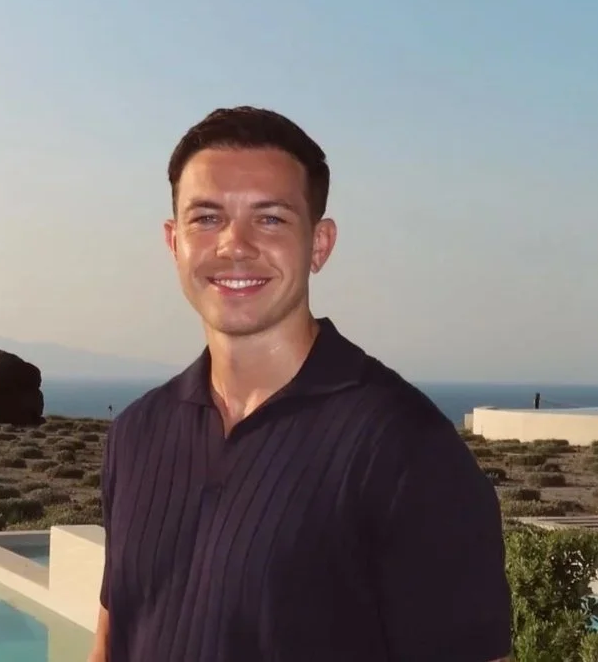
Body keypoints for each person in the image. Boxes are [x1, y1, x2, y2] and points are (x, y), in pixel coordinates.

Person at [89, 106, 511, 662]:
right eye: (207, 218)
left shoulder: (406, 449)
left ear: (320, 244)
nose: (234, 245)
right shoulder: (137, 434)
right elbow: (112, 641)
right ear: (174, 242)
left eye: (270, 219)